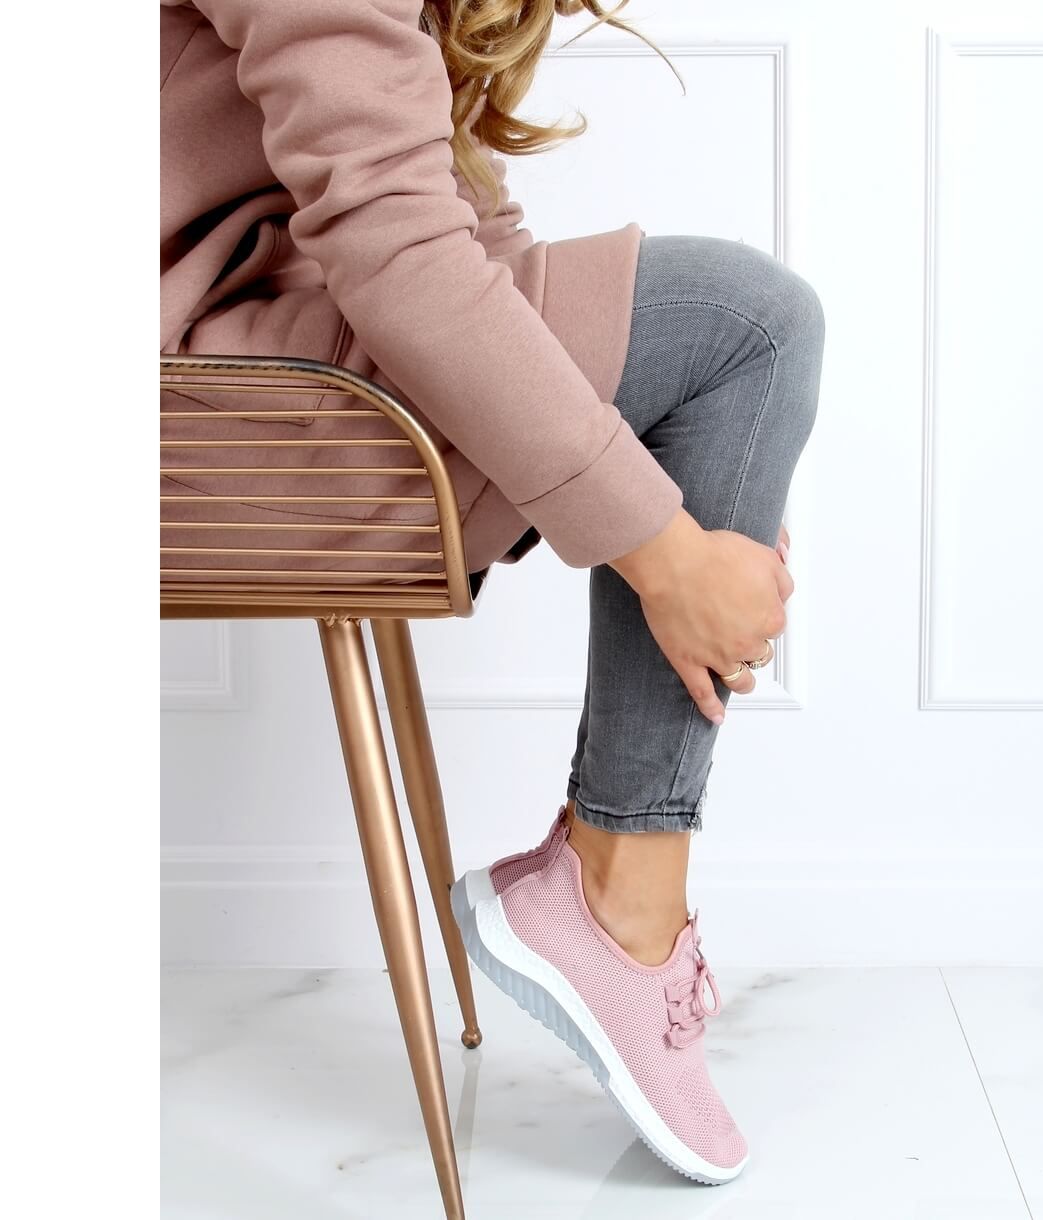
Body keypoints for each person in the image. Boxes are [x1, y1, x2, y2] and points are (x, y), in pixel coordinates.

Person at [161, 0, 824, 1186]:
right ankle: (621, 899)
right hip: (206, 416)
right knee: (746, 327)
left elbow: (454, 224)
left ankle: (614, 893)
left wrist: (669, 482)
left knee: (720, 342)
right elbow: (400, 253)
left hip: (260, 370)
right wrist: (666, 545)